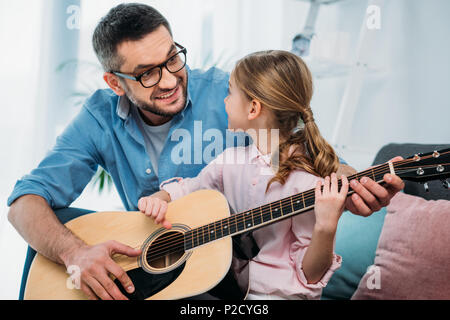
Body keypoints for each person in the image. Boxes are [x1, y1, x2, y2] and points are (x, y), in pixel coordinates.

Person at [7, 3, 404, 300]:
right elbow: (23, 203)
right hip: (159, 263)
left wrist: (354, 182)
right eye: (147, 73)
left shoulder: (227, 94)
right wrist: (74, 252)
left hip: (227, 271)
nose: (169, 80)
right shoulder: (98, 115)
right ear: (115, 83)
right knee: (56, 229)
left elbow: (300, 147)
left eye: (172, 58)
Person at [138, 50, 350, 299]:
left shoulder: (307, 181)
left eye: (230, 92)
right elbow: (188, 190)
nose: (225, 101)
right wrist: (158, 200)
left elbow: (311, 275)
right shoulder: (229, 161)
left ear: (253, 109)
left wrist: (326, 227)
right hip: (234, 291)